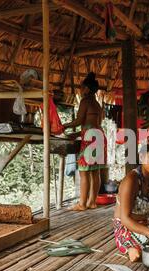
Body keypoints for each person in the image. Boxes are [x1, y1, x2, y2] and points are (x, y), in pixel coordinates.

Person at [63, 72, 106, 211]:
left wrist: (64, 126)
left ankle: (82, 204)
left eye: (81, 88)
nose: (80, 91)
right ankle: (92, 202)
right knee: (95, 171)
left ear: (87, 89)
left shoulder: (85, 101)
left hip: (90, 138)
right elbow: (92, 125)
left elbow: (79, 121)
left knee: (84, 171)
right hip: (98, 135)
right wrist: (75, 134)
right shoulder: (97, 105)